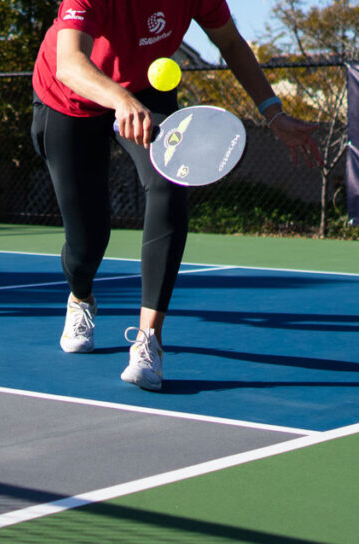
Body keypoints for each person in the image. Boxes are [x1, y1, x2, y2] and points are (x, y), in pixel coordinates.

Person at [30, 1, 322, 391]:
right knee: (87, 241)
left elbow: (231, 44)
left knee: (169, 182)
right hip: (69, 99)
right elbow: (69, 63)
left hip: (145, 91)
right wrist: (120, 100)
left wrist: (273, 112)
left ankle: (149, 340)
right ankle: (81, 297)